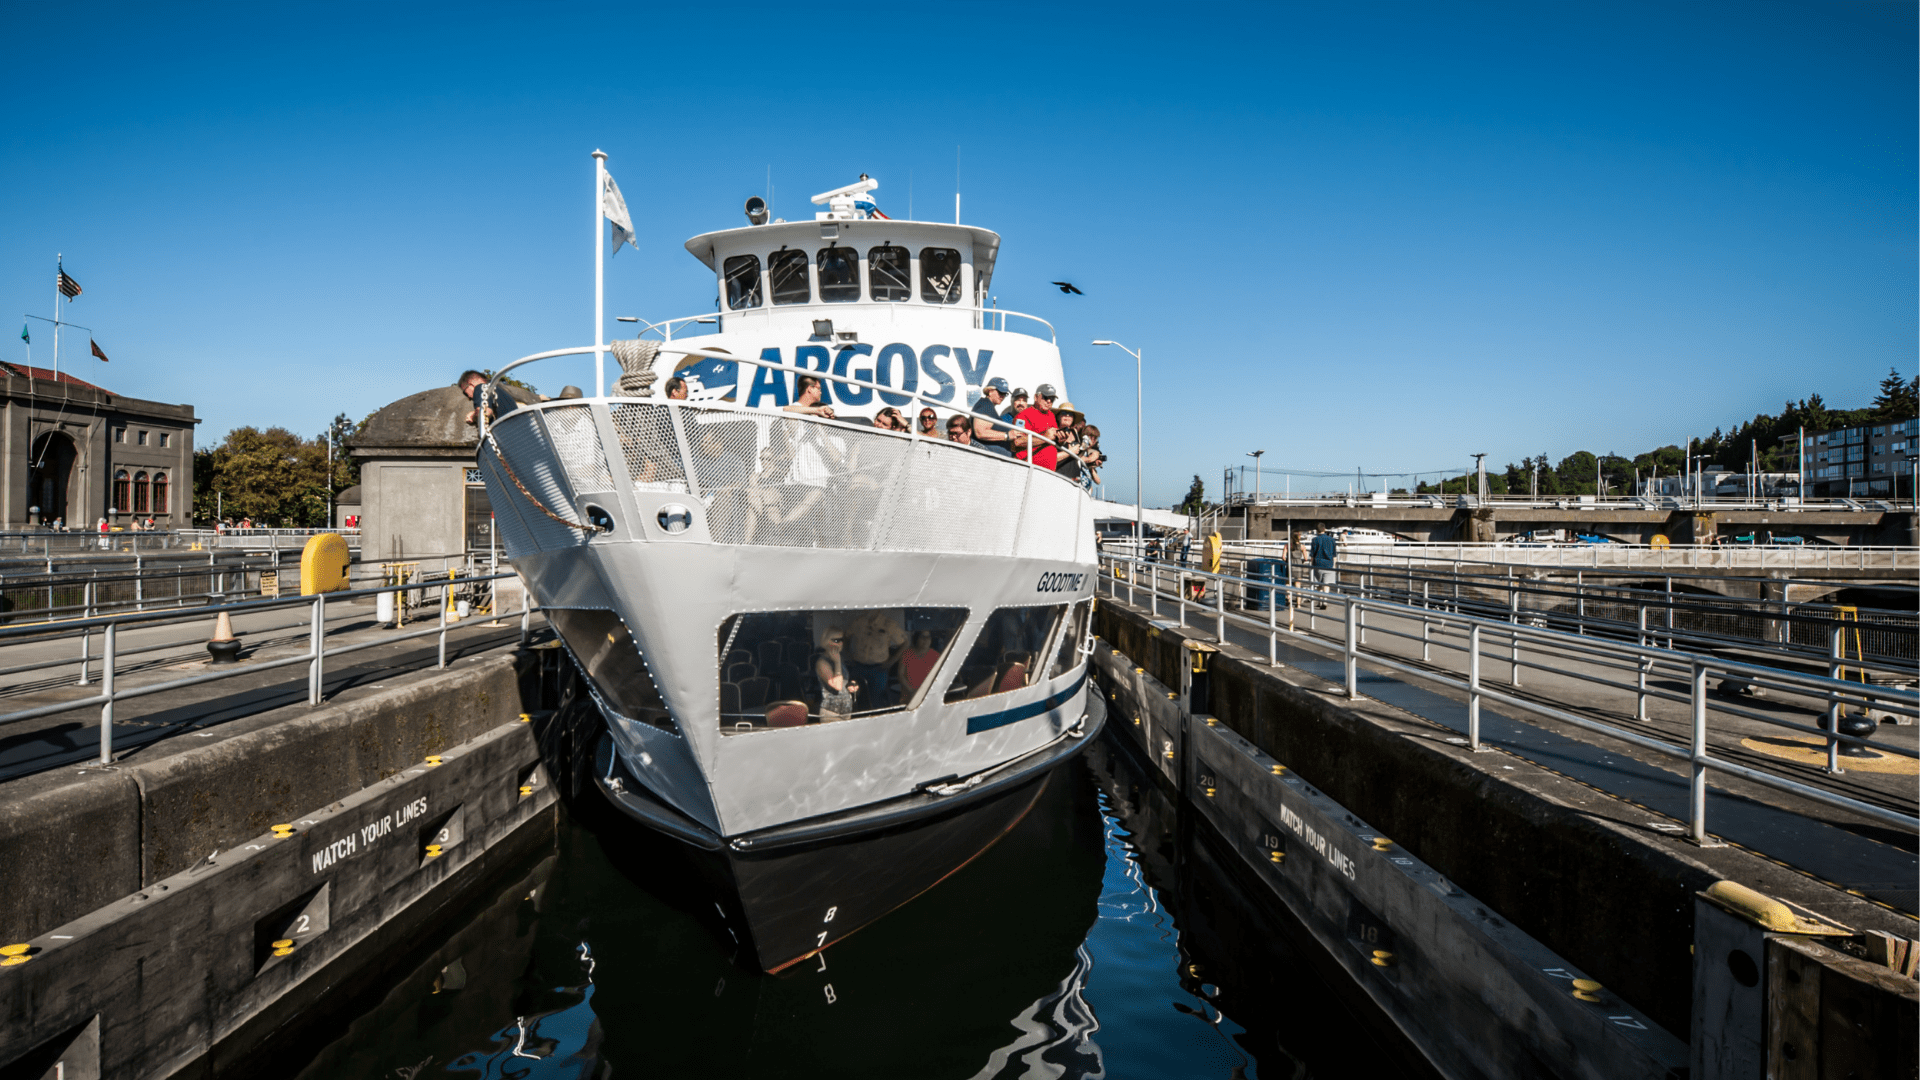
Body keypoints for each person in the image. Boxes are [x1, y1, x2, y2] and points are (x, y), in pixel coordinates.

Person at [844, 608, 907, 709]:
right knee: (856, 698)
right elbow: (846, 636)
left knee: (877, 700)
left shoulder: (888, 624)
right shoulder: (858, 622)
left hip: (878, 669)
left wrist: (891, 662)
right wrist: (848, 654)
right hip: (858, 666)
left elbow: (905, 643)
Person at [1012, 383, 1061, 471]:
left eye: (1052, 399)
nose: (1049, 401)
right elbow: (1018, 441)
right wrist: (1045, 437)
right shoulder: (1022, 415)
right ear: (1036, 397)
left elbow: (1052, 439)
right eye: (1045, 397)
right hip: (1028, 469)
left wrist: (1061, 438)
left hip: (1047, 471)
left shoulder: (1051, 416)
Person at [814, 626, 857, 721]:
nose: (840, 643)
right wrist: (837, 662)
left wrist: (851, 686)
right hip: (831, 711)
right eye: (836, 640)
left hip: (845, 709)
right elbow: (837, 687)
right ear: (827, 641)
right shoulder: (822, 663)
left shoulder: (840, 660)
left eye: (842, 640)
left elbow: (843, 683)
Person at [971, 377, 1015, 456]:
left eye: (1005, 394)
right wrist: (1007, 435)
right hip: (988, 459)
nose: (1002, 396)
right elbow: (980, 432)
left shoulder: (988, 406)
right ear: (990, 391)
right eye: (1000, 392)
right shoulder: (985, 405)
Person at [898, 629, 942, 698]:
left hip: (929, 695)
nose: (926, 640)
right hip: (909, 696)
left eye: (928, 637)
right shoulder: (907, 654)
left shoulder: (936, 656)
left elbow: (940, 676)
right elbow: (900, 674)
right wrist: (912, 690)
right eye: (922, 637)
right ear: (916, 639)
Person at [1310, 527, 1339, 609]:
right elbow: (1334, 554)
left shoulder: (1314, 540)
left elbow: (1312, 554)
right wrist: (1334, 565)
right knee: (1326, 584)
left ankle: (1320, 601)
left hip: (1318, 563)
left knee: (1319, 584)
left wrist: (1311, 565)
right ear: (1324, 529)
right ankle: (1325, 601)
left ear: (1317, 530)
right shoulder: (1332, 540)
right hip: (1329, 564)